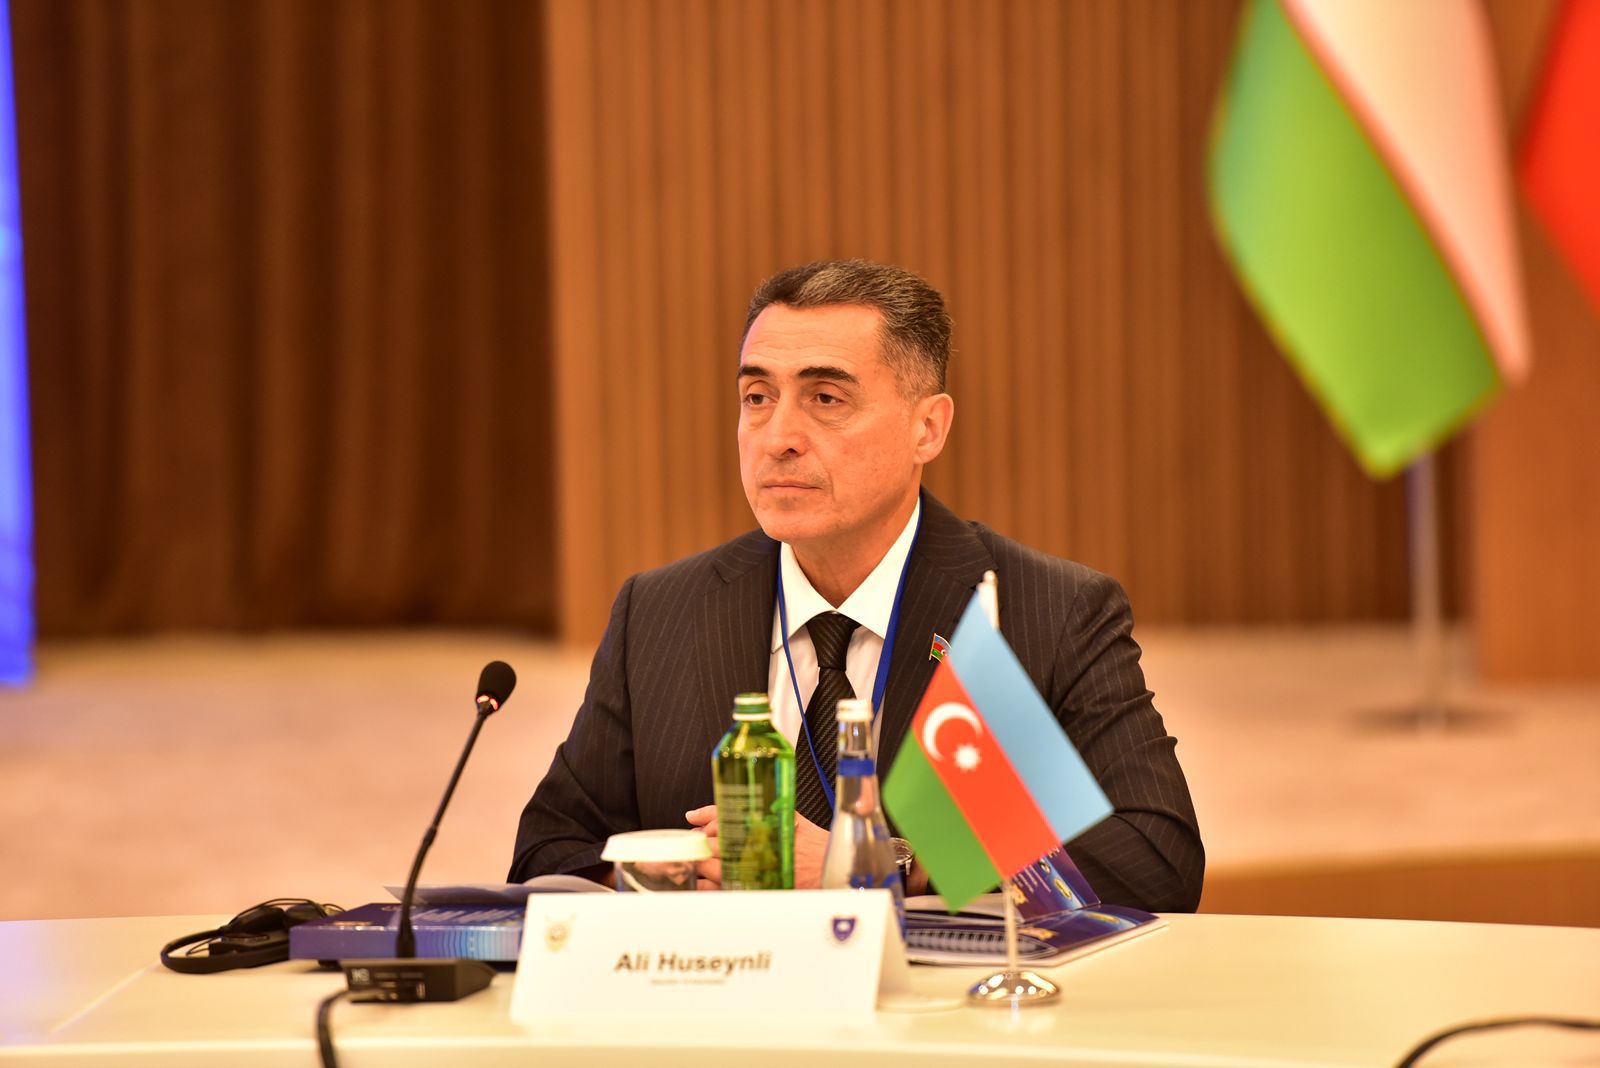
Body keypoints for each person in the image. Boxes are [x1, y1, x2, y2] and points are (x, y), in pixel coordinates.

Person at [508, 260, 1203, 912]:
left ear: (927, 428)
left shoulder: (1039, 611)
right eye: (757, 397)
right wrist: (676, 881)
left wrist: (885, 864)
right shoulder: (661, 611)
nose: (778, 436)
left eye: (826, 398)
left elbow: (1155, 860)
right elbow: (547, 854)